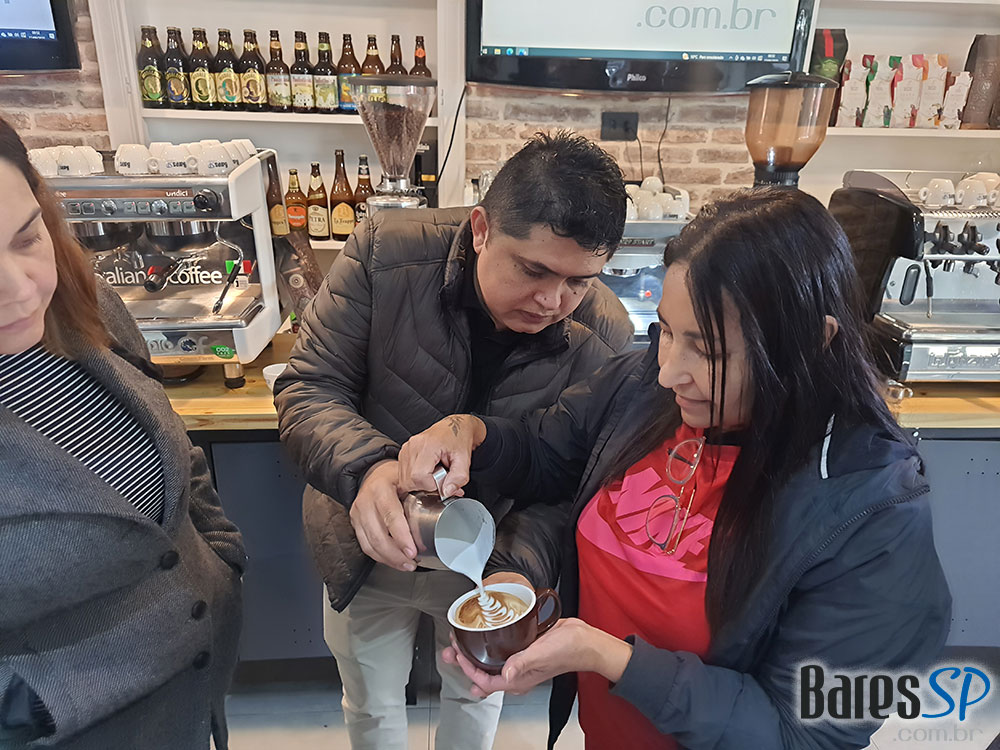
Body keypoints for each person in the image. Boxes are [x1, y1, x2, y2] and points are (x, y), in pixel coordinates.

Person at [397, 187, 953, 750]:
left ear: (812, 342)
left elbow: (802, 734)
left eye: (708, 351)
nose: (669, 371)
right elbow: (549, 454)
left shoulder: (872, 508)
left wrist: (609, 658)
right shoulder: (644, 390)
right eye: (665, 331)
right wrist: (471, 432)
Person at [273, 131, 634, 749]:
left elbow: (574, 479)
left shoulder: (603, 334)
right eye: (533, 270)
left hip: (493, 555)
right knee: (370, 701)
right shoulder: (385, 255)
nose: (553, 301)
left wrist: (515, 573)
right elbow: (309, 388)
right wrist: (368, 471)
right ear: (481, 229)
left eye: (580, 281)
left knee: (476, 699)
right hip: (367, 540)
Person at [0, 118, 245, 749]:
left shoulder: (86, 305)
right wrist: (29, 708)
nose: (20, 291)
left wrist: (219, 554)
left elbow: (171, 438)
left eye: (26, 239)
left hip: (194, 687)